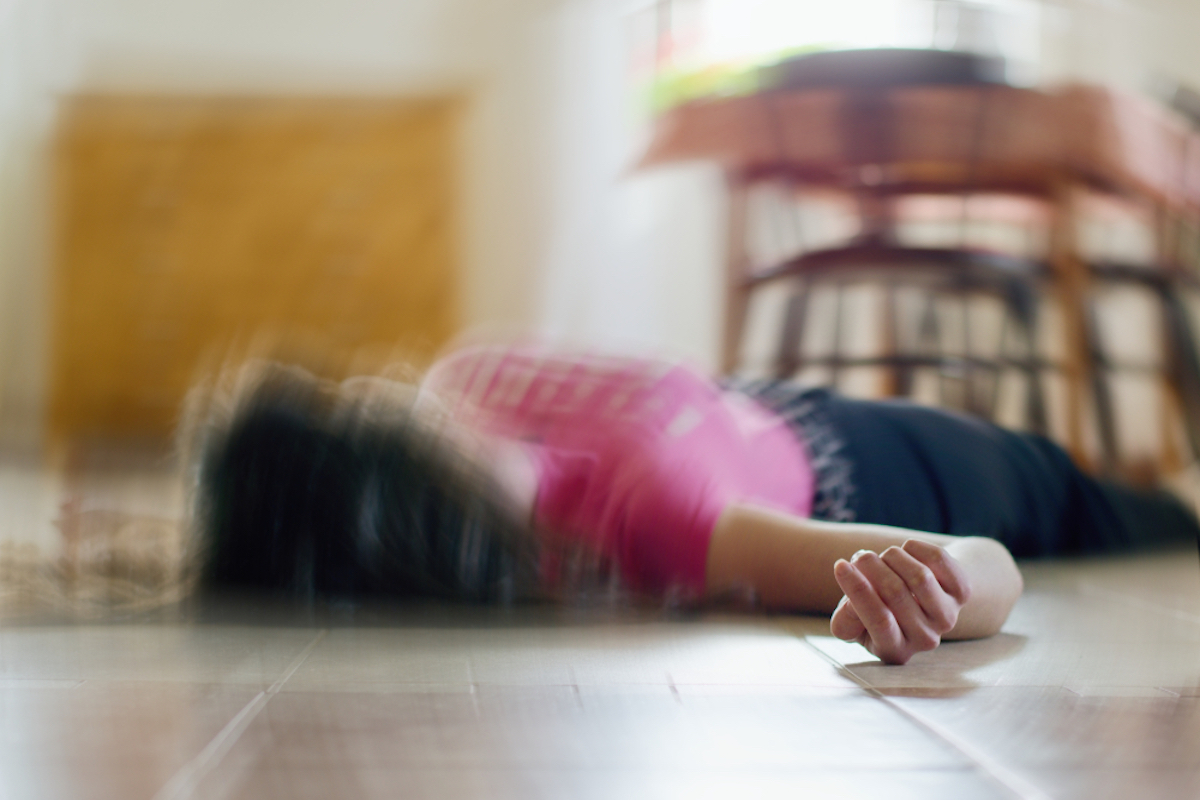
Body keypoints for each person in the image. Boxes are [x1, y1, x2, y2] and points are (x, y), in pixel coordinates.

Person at [188, 342, 1200, 665]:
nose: (383, 395)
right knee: (1155, 519)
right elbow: (987, 564)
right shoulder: (662, 518)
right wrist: (932, 589)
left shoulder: (468, 375)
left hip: (795, 412)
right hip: (922, 473)